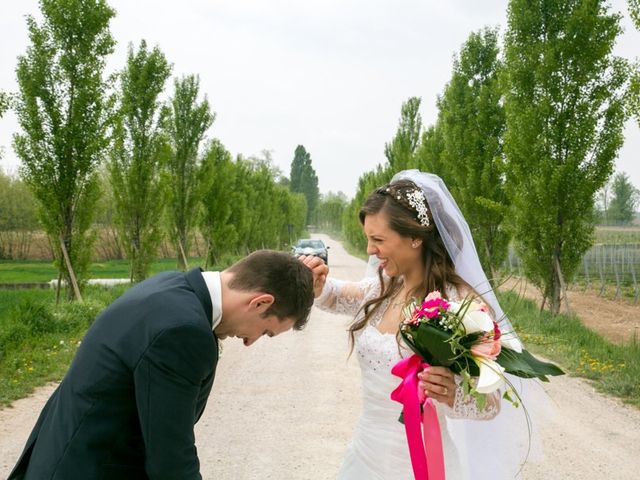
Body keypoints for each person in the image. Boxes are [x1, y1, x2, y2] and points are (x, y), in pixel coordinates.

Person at [9, 250, 323, 480]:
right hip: (86, 469)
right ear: (260, 302)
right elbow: (170, 460)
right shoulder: (183, 331)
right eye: (265, 331)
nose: (250, 341)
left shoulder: (172, 287)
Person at [313, 170, 539, 480]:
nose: (369, 250)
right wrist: (316, 282)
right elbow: (337, 296)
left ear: (415, 237)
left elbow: (491, 402)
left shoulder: (460, 303)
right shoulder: (382, 288)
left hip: (422, 459)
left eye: (378, 239)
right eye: (368, 239)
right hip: (366, 452)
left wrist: (453, 393)